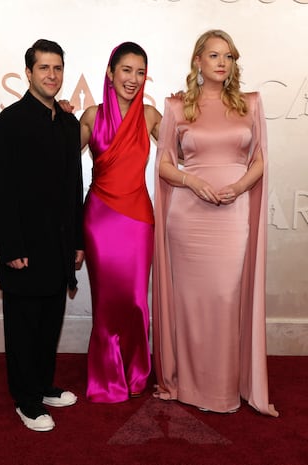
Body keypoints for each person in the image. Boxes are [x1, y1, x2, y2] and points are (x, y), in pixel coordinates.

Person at [152, 30, 278, 417]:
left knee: (226, 298)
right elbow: (165, 165)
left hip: (233, 214)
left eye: (229, 57)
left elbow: (259, 159)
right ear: (198, 62)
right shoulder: (176, 107)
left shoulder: (250, 103)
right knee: (191, 304)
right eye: (213, 56)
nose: (222, 63)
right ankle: (187, 385)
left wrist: (239, 187)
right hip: (189, 218)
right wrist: (193, 181)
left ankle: (226, 388)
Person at [0, 39, 84, 431]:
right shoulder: (7, 123)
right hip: (23, 247)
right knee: (23, 325)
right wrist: (10, 247)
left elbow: (74, 186)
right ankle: (25, 401)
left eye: (57, 68)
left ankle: (42, 386)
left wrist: (77, 240)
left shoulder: (68, 123)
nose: (51, 75)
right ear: (28, 73)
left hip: (58, 245)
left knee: (49, 322)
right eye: (44, 68)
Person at [79, 42, 161, 402]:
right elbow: (58, 160)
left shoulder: (151, 116)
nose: (133, 78)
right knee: (107, 302)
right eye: (126, 70)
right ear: (110, 74)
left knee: (135, 302)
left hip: (139, 221)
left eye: (140, 72)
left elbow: (189, 150)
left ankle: (136, 374)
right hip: (99, 221)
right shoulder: (91, 116)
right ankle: (107, 378)